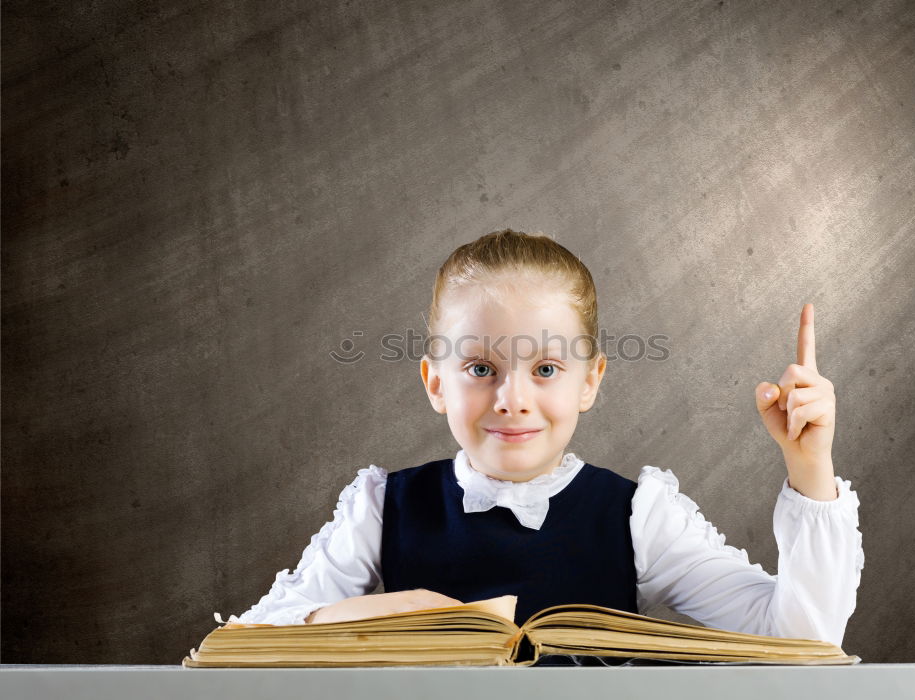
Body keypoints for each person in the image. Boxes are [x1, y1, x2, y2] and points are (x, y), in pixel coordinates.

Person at [231, 229, 864, 655]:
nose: (512, 399)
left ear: (590, 381)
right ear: (435, 382)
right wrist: (396, 614)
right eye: (480, 369)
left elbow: (801, 641)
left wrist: (810, 467)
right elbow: (252, 641)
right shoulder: (381, 507)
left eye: (546, 369)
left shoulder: (639, 516)